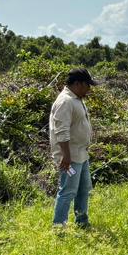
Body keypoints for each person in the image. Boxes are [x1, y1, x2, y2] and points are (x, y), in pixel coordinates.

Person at [49, 69, 95, 229]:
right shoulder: (65, 101)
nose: (89, 89)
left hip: (81, 154)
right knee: (68, 191)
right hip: (70, 157)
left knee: (83, 189)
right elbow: (61, 131)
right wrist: (66, 156)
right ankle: (58, 226)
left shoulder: (76, 99)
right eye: (87, 85)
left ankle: (82, 222)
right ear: (77, 84)